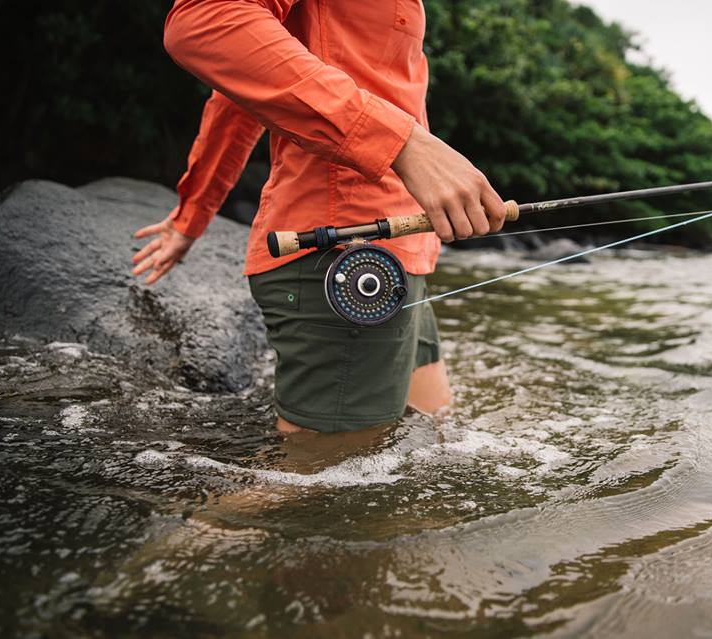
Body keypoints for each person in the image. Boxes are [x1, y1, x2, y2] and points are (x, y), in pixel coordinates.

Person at [131, 0, 506, 434]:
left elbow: (244, 91)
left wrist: (193, 214)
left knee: (434, 435)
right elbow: (207, 20)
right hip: (340, 255)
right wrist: (402, 144)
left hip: (401, 254)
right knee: (322, 476)